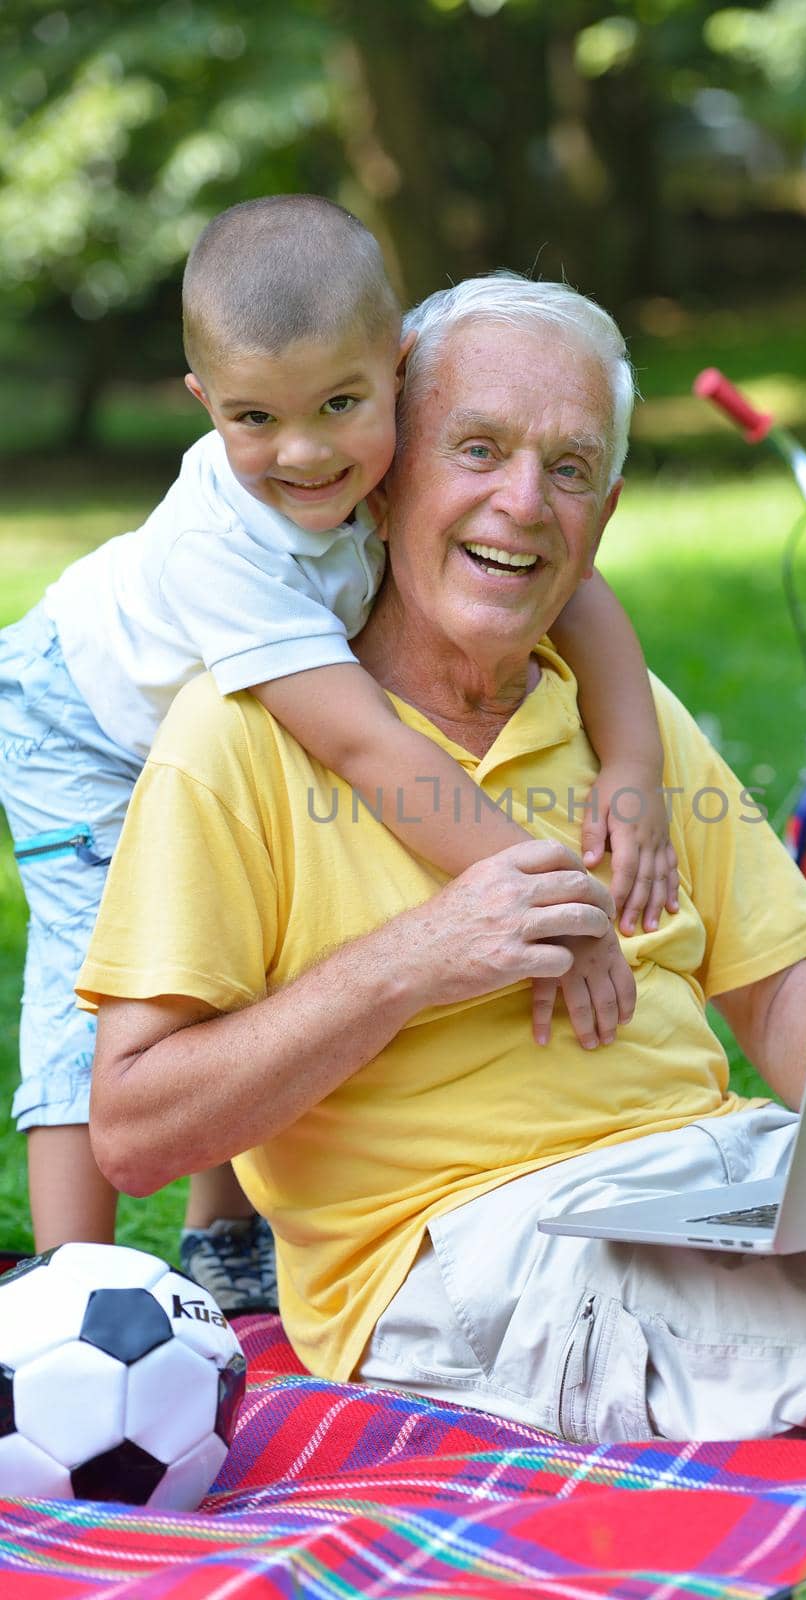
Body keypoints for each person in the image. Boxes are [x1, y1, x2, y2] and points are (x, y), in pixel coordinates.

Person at [82, 275, 806, 1451]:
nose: (522, 504)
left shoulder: (622, 718)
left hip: (720, 1176)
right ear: (387, 478)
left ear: (605, 512)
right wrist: (412, 961)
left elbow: (777, 993)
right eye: (479, 448)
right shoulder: (237, 733)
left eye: (568, 468)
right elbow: (136, 1129)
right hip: (471, 1246)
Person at [0, 198, 677, 1308]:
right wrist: (557, 899)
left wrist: (634, 771)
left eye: (342, 407)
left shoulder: (394, 446)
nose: (307, 454)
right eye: (255, 419)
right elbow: (366, 745)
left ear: (398, 371)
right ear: (202, 405)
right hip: (79, 721)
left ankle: (224, 1236)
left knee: (244, 935)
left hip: (203, 713)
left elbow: (579, 588)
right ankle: (67, 1287)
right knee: (107, 984)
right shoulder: (224, 550)